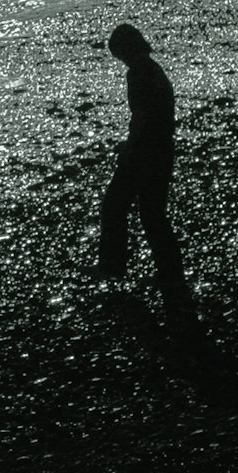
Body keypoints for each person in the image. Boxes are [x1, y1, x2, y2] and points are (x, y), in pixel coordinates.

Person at [98, 22, 191, 307]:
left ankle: (113, 268)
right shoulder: (154, 69)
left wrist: (128, 147)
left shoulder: (138, 73)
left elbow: (140, 115)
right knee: (153, 215)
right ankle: (171, 273)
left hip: (144, 151)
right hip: (162, 148)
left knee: (114, 207)